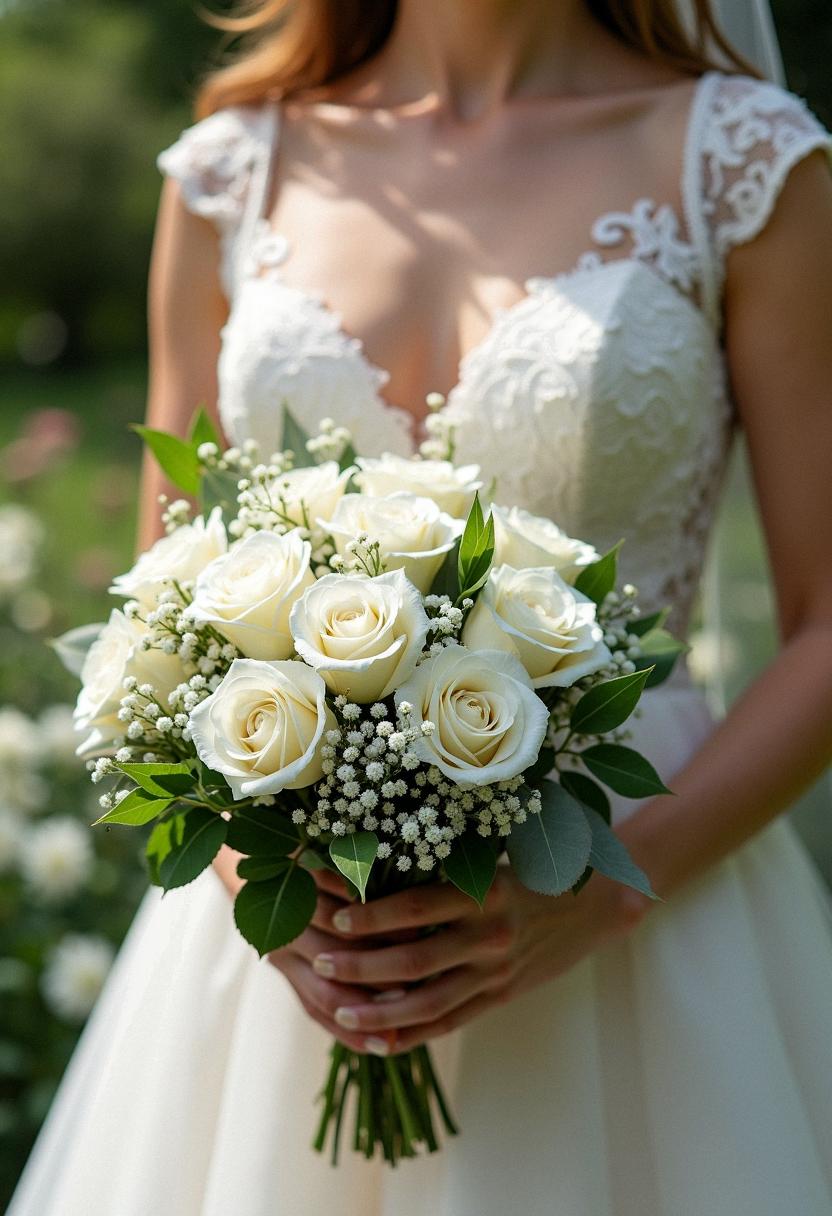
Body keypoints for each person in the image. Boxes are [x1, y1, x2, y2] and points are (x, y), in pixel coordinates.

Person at [8, 1, 832, 1212]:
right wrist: (261, 895)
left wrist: (600, 891)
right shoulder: (234, 172)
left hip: (641, 901)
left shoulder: (743, 164)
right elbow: (154, 615)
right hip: (289, 931)